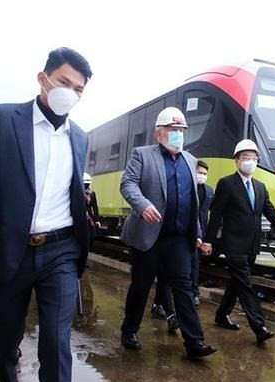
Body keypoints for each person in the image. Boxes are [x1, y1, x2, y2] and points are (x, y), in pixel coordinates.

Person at [0, 47, 92, 382]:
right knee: (3, 341)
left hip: (60, 251)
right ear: (43, 79)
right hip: (9, 249)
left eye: (78, 89)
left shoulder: (80, 137)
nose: (70, 93)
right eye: (64, 82)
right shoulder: (2, 119)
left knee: (56, 343)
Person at [119, 106, 216, 360]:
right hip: (149, 237)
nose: (178, 135)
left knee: (183, 289)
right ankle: (129, 331)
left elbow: (192, 202)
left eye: (182, 130)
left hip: (179, 240)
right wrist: (142, 205)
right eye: (173, 130)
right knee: (140, 287)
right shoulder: (142, 155)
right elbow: (127, 183)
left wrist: (195, 231)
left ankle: (194, 342)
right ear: (159, 133)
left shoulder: (190, 160)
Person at [202, 139, 275, 344]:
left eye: (254, 158)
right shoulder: (226, 183)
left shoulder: (260, 187)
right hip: (233, 244)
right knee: (245, 283)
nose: (250, 162)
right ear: (236, 161)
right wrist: (208, 241)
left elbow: (270, 211)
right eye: (245, 158)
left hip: (252, 244)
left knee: (237, 283)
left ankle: (221, 315)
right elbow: (216, 214)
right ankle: (259, 325)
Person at [192, 160, 214, 306]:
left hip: (202, 234)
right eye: (199, 173)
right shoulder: (187, 188)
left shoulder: (209, 191)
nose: (202, 176)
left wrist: (208, 239)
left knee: (196, 263)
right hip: (188, 232)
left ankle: (194, 293)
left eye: (205, 174)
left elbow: (214, 210)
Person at [83, 172, 101, 248]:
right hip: (80, 216)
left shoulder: (92, 194)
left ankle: (88, 248)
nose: (87, 185)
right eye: (85, 183)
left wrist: (97, 220)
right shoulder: (78, 193)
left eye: (88, 183)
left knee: (91, 234)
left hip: (89, 218)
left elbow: (95, 207)